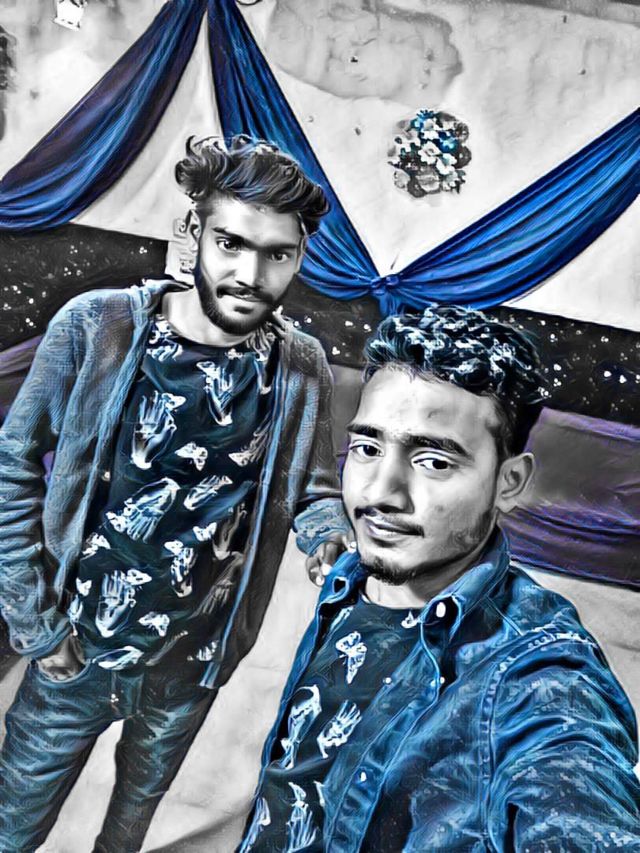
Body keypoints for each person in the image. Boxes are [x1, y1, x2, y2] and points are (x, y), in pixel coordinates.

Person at [0, 135, 350, 853]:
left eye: (278, 254)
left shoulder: (302, 364)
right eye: (231, 243)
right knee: (11, 826)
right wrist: (38, 626)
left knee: (128, 831)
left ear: (300, 256)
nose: (250, 274)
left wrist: (330, 536)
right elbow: (11, 469)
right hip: (76, 651)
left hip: (191, 667)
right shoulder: (96, 325)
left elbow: (312, 489)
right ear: (192, 231)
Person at [240, 306, 640, 852]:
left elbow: (575, 802)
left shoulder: (538, 678)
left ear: (508, 482)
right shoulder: (354, 576)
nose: (380, 494)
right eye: (367, 449)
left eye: (433, 461)